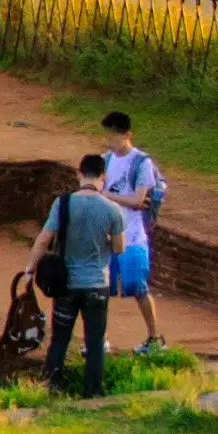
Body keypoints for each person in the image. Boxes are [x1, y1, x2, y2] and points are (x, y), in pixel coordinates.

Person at [34, 172, 129, 396]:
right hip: (96, 283)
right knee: (95, 343)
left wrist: (30, 268)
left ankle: (52, 387)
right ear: (103, 177)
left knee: (60, 339)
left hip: (67, 284)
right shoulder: (112, 208)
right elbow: (118, 248)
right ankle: (93, 391)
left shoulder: (64, 203)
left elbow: (44, 239)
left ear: (80, 174)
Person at [95, 113, 169, 347]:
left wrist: (107, 195)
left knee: (138, 287)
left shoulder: (141, 163)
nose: (110, 140)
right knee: (101, 289)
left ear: (127, 135)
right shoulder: (105, 160)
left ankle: (153, 337)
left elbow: (139, 199)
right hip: (109, 234)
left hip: (133, 234)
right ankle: (101, 338)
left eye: (114, 135)